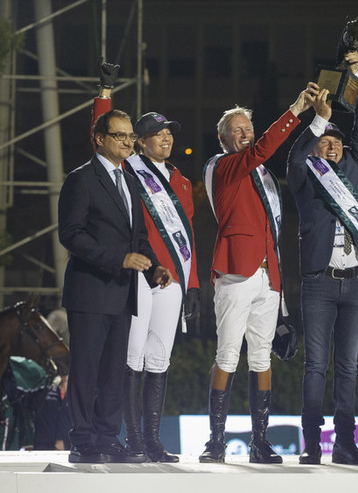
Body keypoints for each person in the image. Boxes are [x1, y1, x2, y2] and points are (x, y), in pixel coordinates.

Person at [59, 71, 173, 463]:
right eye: (119, 135)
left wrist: (152, 267)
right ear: (99, 139)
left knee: (113, 373)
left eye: (129, 136)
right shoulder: (82, 179)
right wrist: (120, 260)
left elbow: (137, 239)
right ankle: (83, 441)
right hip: (90, 291)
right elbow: (71, 235)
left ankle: (109, 439)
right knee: (87, 371)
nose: (127, 141)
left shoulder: (131, 182)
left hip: (123, 293)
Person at [198, 83, 313, 464]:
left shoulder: (259, 173)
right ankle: (215, 442)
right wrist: (295, 109)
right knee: (228, 353)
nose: (244, 132)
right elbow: (264, 148)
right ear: (222, 137)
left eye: (248, 126)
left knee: (261, 356)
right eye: (237, 128)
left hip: (267, 274)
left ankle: (258, 442)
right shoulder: (222, 166)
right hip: (235, 271)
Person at [90, 63, 200, 463]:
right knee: (132, 357)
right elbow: (98, 137)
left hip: (172, 278)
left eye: (170, 132)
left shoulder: (183, 181)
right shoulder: (129, 171)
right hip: (138, 273)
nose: (168, 138)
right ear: (140, 142)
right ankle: (133, 439)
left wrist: (194, 286)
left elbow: (187, 237)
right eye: (159, 133)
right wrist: (105, 92)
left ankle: (153, 441)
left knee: (159, 358)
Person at [287, 51, 358, 465]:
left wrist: (356, 75)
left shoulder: (356, 169)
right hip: (320, 282)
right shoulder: (306, 177)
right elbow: (295, 157)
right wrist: (317, 121)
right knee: (316, 366)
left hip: (357, 283)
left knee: (348, 368)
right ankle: (311, 443)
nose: (334, 144)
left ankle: (345, 442)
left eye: (337, 140)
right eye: (326, 139)